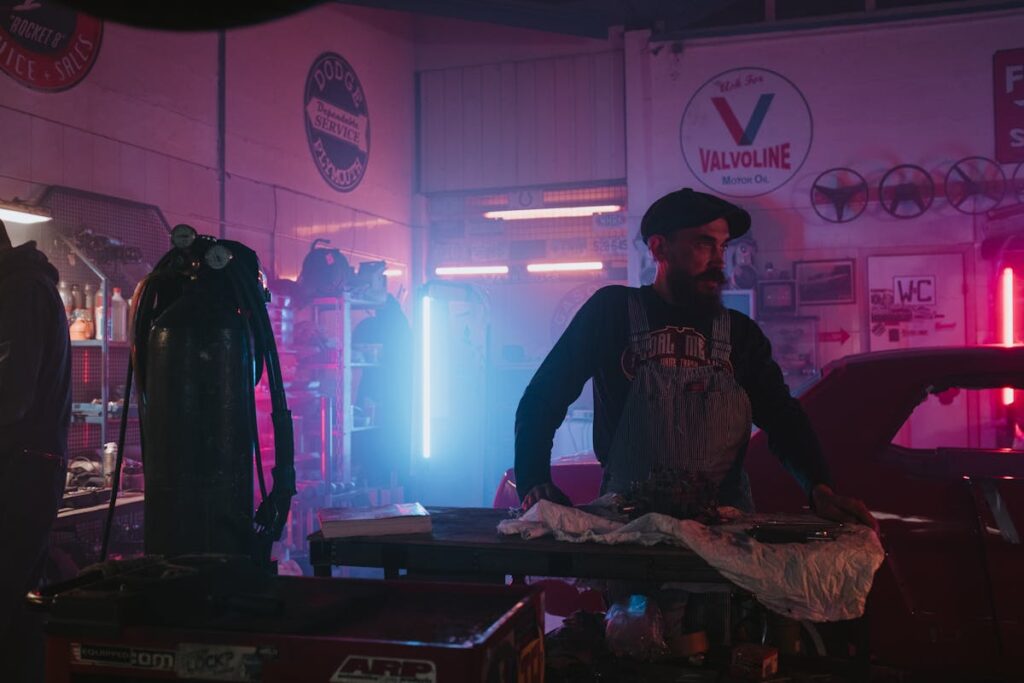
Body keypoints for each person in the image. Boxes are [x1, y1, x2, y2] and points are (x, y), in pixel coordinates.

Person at [514, 188, 875, 530]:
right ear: (659, 248)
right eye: (704, 243)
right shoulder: (611, 313)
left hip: (722, 532)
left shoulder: (739, 333)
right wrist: (535, 480)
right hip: (628, 531)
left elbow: (783, 418)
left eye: (723, 246)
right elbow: (543, 397)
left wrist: (819, 487)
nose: (720, 260)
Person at [0, 219, 72, 682]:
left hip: (18, 474)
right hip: (22, 470)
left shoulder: (20, 292)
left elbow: (10, 398)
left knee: (8, 608)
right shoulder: (19, 288)